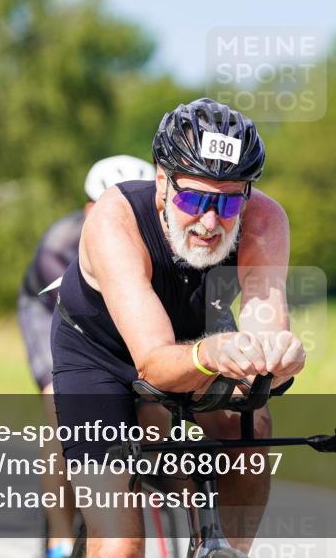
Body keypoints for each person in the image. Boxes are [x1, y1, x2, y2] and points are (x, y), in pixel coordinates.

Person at [52, 98, 306, 558]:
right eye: (193, 199)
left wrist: (279, 359)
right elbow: (153, 363)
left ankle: (225, 550)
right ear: (162, 182)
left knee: (252, 420)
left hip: (192, 343)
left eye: (229, 202)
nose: (210, 221)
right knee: (120, 545)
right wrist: (212, 354)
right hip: (99, 359)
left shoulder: (265, 221)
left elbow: (266, 333)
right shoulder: (115, 219)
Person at [17, 154, 155, 558]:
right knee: (61, 411)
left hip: (114, 318)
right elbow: (89, 325)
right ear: (89, 209)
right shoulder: (60, 245)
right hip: (51, 313)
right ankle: (60, 540)